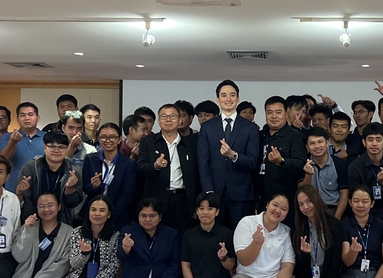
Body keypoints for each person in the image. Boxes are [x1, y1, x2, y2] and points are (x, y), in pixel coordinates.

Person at [198, 79, 260, 227]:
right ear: (217, 99)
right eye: (224, 95)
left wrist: (233, 155)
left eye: (232, 95)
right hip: (215, 192)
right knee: (217, 235)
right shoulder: (207, 127)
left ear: (238, 99)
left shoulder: (250, 127)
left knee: (241, 233)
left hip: (242, 192)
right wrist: (208, 191)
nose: (228, 99)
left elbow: (253, 161)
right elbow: (203, 162)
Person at [138, 103, 200, 237]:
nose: (168, 119)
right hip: (156, 198)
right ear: (158, 121)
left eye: (172, 116)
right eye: (164, 116)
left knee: (181, 237)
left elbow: (197, 174)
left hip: (182, 199)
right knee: (157, 237)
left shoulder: (190, 144)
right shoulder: (148, 142)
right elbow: (140, 168)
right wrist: (155, 166)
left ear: (179, 120)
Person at [14, 131, 83, 225]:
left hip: (62, 222)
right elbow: (25, 200)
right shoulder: (31, 167)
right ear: (45, 148)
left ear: (67, 149)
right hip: (33, 219)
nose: (56, 150)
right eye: (52, 146)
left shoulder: (73, 171)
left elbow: (73, 204)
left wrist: (70, 190)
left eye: (61, 147)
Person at [258, 95, 307, 213]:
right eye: (269, 112)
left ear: (286, 114)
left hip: (285, 195)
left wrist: (281, 161)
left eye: (278, 112)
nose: (274, 116)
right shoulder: (259, 135)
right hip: (261, 194)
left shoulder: (295, 136)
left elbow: (300, 163)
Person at [347, 123, 383, 223]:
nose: (374, 144)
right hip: (366, 211)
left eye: (378, 140)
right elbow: (356, 197)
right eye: (370, 140)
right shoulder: (354, 167)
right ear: (364, 142)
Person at [82, 122, 137, 223]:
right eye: (103, 137)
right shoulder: (90, 159)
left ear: (119, 139)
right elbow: (86, 188)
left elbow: (126, 195)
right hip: (93, 216)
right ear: (99, 138)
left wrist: (110, 216)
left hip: (118, 217)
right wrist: (94, 186)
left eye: (112, 137)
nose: (108, 141)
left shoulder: (128, 164)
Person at [302, 127, 349, 219]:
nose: (317, 146)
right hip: (309, 210)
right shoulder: (303, 164)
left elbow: (344, 194)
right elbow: (301, 192)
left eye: (320, 142)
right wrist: (308, 174)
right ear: (307, 147)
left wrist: (336, 220)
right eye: (312, 143)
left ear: (327, 143)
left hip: (333, 209)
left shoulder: (339, 164)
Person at [0, 102, 45, 193]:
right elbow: (2, 160)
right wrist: (13, 141)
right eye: (22, 115)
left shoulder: (47, 137)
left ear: (37, 118)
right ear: (17, 119)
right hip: (13, 189)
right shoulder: (8, 137)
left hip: (41, 189)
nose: (27, 118)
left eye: (30, 114)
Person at [62, 110, 97, 176]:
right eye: (71, 128)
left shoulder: (90, 150)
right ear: (63, 128)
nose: (75, 132)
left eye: (79, 128)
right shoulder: (56, 149)